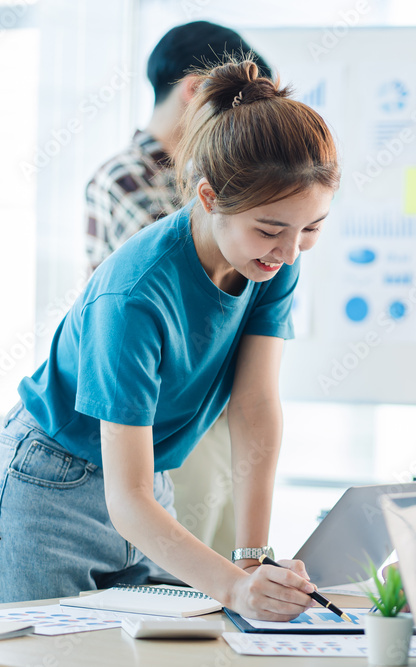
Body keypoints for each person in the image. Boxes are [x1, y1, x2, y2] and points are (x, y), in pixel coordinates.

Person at [0, 59, 339, 620]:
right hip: (47, 486)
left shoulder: (271, 262)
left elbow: (255, 404)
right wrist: (235, 590)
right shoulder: (134, 295)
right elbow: (127, 498)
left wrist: (252, 559)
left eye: (311, 228)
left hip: (147, 486)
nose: (289, 252)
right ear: (210, 198)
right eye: (270, 229)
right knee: (41, 654)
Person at [85, 21, 273, 559]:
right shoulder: (126, 177)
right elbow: (182, 288)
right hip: (160, 412)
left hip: (211, 409)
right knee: (186, 573)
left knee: (232, 565)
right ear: (194, 90)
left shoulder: (219, 186)